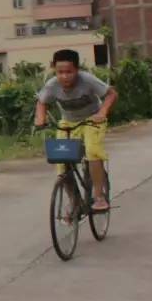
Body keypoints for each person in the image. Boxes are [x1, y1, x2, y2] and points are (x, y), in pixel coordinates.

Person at [34, 49, 119, 211]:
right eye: (60, 72)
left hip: (92, 120)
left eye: (69, 72)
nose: (64, 76)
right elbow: (41, 102)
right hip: (68, 123)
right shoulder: (52, 85)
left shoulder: (87, 80)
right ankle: (75, 202)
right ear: (54, 69)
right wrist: (40, 118)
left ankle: (99, 197)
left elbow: (111, 94)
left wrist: (102, 112)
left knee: (93, 151)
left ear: (77, 69)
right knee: (61, 161)